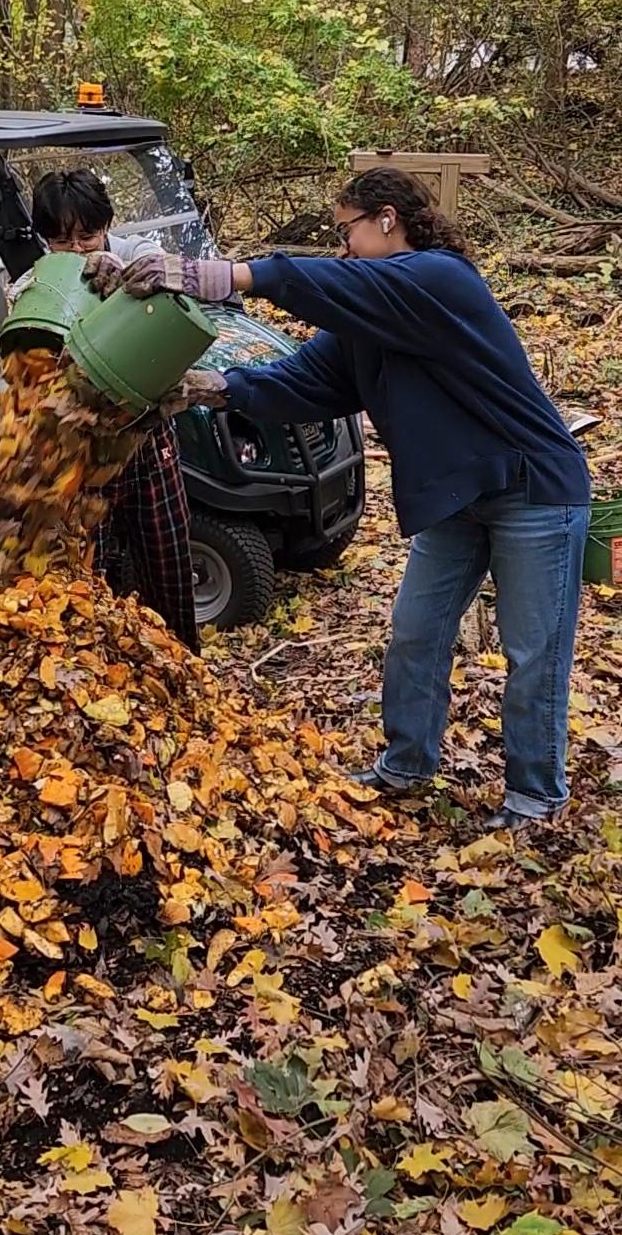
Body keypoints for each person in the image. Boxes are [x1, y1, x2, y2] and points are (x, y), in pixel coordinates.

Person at [87, 167, 591, 829]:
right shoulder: (365, 321)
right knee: (416, 634)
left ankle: (534, 794)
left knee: (532, 651)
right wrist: (210, 387)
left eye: (346, 230)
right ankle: (407, 763)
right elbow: (303, 380)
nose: (343, 246)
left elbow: (329, 283)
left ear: (387, 218)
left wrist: (222, 275)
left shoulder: (439, 279)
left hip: (532, 489)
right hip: (458, 499)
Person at [21, 169, 200, 654]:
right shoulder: (36, 285)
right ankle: (94, 672)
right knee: (84, 572)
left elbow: (163, 271)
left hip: (145, 437)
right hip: (79, 453)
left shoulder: (133, 254)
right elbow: (22, 338)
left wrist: (124, 279)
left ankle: (182, 663)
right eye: (60, 240)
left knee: (166, 558)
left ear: (107, 227)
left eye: (87, 235)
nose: (76, 250)